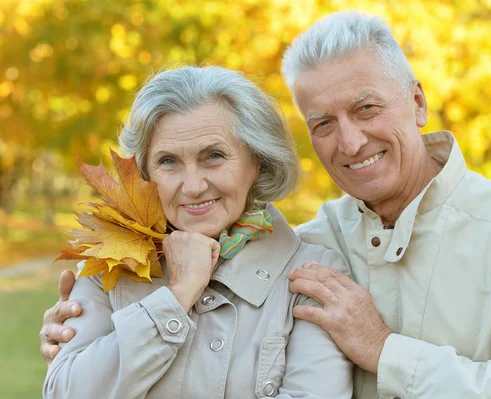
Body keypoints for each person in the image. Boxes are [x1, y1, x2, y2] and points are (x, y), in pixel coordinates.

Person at [41, 11, 491, 399]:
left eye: (367, 108)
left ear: (418, 101)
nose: (351, 141)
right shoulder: (311, 243)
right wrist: (111, 324)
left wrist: (385, 352)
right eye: (324, 123)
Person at [42, 65, 353, 398]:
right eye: (168, 161)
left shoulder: (313, 276)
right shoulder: (108, 266)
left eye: (214, 156)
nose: (192, 186)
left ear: (258, 160)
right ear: (144, 172)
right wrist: (177, 295)